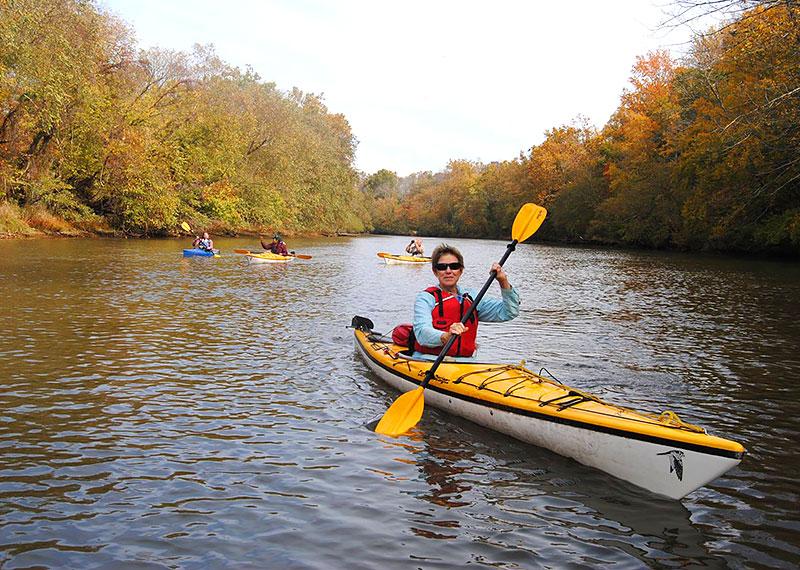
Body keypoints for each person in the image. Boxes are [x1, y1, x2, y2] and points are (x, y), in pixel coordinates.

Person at [411, 244, 519, 361]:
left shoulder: (472, 297)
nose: (448, 271)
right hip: (429, 360)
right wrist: (445, 336)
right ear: (435, 272)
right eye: (442, 267)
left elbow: (509, 312)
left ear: (461, 270)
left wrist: (503, 281)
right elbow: (422, 332)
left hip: (467, 363)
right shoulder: (426, 298)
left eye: (454, 266)